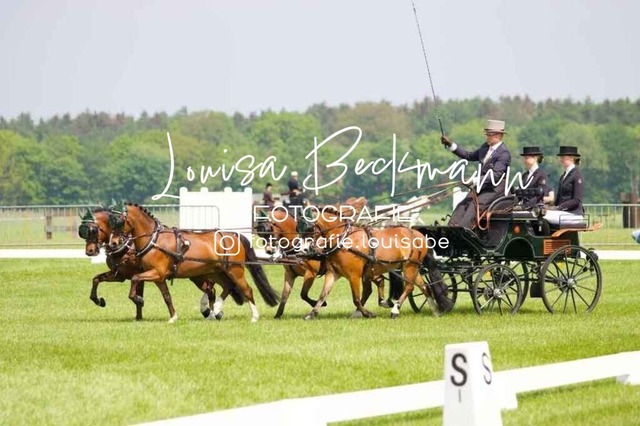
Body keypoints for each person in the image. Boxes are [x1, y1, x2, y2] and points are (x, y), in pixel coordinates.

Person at [441, 119, 512, 228]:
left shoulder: (504, 153)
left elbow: (496, 175)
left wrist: (474, 180)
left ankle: (463, 231)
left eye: (490, 134)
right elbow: (468, 155)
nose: (487, 137)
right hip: (482, 186)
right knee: (462, 205)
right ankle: (450, 228)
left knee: (474, 207)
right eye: (486, 134)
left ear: (499, 135)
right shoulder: (485, 147)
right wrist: (451, 145)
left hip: (496, 189)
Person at [544, 146, 584, 225]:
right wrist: (549, 207)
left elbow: (577, 200)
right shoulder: (563, 176)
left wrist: (559, 207)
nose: (560, 160)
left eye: (563, 157)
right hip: (563, 212)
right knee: (540, 214)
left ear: (571, 158)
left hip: (574, 213)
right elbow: (559, 198)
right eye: (560, 157)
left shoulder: (577, 175)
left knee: (544, 217)